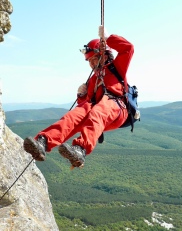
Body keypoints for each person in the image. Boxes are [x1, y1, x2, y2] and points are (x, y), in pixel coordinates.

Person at [23, 26, 134, 168]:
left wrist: (108, 38)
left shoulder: (117, 66)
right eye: (89, 61)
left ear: (104, 56)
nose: (92, 64)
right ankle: (43, 142)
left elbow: (128, 49)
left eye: (94, 59)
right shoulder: (93, 80)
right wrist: (81, 96)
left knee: (100, 109)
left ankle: (80, 150)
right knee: (74, 115)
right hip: (102, 111)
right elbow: (86, 106)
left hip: (118, 109)